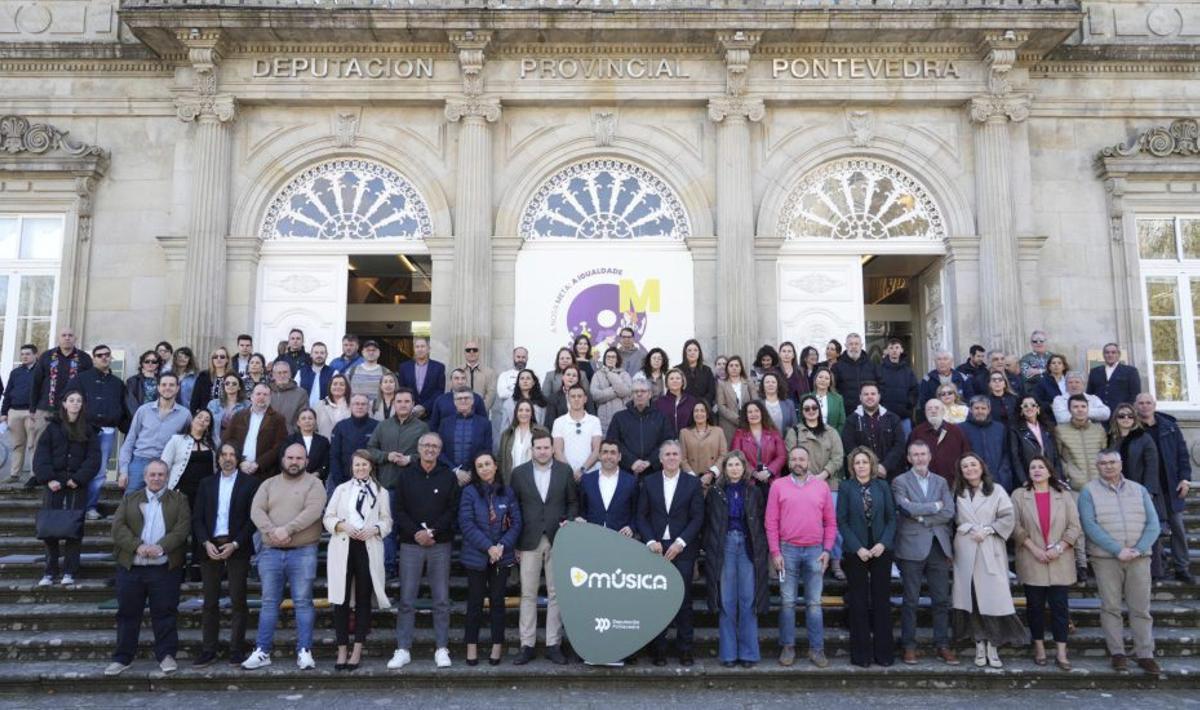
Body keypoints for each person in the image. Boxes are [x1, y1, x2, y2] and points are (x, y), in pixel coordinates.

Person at [242, 443, 327, 671]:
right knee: (269, 603)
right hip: (270, 552)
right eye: (290, 457)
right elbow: (256, 511)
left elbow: (313, 511)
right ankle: (262, 651)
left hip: (304, 551)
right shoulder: (268, 484)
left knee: (303, 602)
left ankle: (304, 651)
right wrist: (272, 531)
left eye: (299, 458)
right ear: (282, 459)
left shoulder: (315, 484)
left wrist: (286, 530)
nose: (294, 461)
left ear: (306, 461)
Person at [1078, 449, 1162, 675]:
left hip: (1139, 558)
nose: (1108, 466)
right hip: (1106, 558)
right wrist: (1117, 550)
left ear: (1121, 464)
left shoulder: (1139, 489)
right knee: (1111, 607)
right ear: (1098, 467)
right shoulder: (1088, 491)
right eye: (1103, 463)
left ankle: (1145, 654)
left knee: (1141, 609)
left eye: (1112, 462)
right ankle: (1117, 653)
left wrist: (1139, 548)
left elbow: (1153, 524)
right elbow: (1089, 525)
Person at [105, 459, 189, 676]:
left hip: (163, 568)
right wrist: (138, 546)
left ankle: (166, 655)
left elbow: (182, 529)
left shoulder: (179, 500)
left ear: (167, 477)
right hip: (132, 567)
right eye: (152, 474)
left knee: (165, 613)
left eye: (161, 474)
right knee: (127, 614)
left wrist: (160, 547)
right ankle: (122, 658)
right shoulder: (130, 498)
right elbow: (118, 527)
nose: (156, 478)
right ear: (144, 477)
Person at [950, 452, 1029, 668]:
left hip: (989, 546)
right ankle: (979, 643)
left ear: (982, 467)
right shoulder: (957, 491)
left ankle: (994, 644)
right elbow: (953, 519)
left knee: (993, 598)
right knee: (972, 597)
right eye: (965, 466)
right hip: (966, 548)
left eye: (973, 465)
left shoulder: (997, 490)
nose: (969, 469)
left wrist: (987, 529)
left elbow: (1008, 517)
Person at [387, 432, 458, 670]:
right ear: (418, 448)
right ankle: (403, 648)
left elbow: (452, 509)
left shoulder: (448, 476)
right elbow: (398, 510)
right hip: (410, 544)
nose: (430, 449)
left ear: (440, 450)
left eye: (434, 446)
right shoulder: (406, 475)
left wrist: (434, 532)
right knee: (407, 599)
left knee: (440, 599)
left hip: (440, 544)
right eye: (426, 445)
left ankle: (441, 648)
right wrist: (416, 532)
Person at [509, 430, 578, 665]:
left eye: (546, 447)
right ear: (532, 449)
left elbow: (572, 502)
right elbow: (513, 509)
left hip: (558, 538)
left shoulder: (564, 471)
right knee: (528, 594)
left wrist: (569, 520)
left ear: (552, 448)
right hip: (528, 540)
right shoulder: (519, 474)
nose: (542, 451)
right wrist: (515, 542)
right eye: (538, 448)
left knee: (556, 594)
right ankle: (526, 644)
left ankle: (553, 644)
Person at [766, 445, 837, 668]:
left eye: (802, 459)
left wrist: (827, 550)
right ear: (789, 462)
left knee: (814, 603)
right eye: (794, 459)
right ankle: (788, 647)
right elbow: (771, 522)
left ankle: (817, 650)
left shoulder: (822, 486)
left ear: (808, 462)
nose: (798, 462)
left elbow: (831, 522)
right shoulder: (778, 485)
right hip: (787, 550)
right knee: (787, 603)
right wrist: (775, 552)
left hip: (815, 551)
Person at [191, 443, 260, 667]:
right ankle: (209, 649)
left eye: (232, 454)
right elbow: (197, 518)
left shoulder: (250, 484)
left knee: (238, 600)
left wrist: (237, 543)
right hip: (210, 547)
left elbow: (252, 519)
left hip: (237, 548)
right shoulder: (206, 483)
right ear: (218, 458)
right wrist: (205, 542)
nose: (228, 458)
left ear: (238, 458)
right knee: (210, 601)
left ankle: (236, 649)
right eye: (224, 454)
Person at [636, 441, 703, 666]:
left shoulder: (692, 483)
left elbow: (697, 518)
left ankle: (685, 649)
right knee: (656, 601)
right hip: (655, 549)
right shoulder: (649, 481)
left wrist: (680, 543)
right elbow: (641, 516)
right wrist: (651, 540)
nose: (672, 457)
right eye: (668, 454)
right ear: (661, 459)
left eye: (675, 454)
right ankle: (659, 650)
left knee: (683, 599)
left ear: (680, 458)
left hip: (682, 548)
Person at [324, 449, 392, 672]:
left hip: (367, 546)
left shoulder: (381, 492)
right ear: (351, 467)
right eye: (356, 465)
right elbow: (328, 517)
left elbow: (387, 521)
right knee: (340, 599)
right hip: (343, 546)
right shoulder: (342, 489)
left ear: (371, 466)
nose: (360, 468)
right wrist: (343, 525)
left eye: (364, 465)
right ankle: (342, 649)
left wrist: (374, 529)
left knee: (363, 599)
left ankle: (357, 650)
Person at [892, 439, 958, 665]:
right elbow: (905, 507)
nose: (919, 458)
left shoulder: (940, 482)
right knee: (910, 600)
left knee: (941, 599)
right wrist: (933, 507)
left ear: (930, 457)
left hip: (938, 547)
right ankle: (908, 646)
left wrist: (921, 516)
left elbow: (949, 511)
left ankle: (942, 644)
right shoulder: (900, 481)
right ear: (909, 458)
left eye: (923, 454)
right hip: (911, 547)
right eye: (915, 455)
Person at [1011, 456, 1080, 671]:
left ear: (1050, 471)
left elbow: (1074, 527)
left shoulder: (1064, 495)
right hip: (1032, 558)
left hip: (1060, 559)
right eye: (1033, 467)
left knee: (1060, 608)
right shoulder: (1019, 495)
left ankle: (1061, 651)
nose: (1037, 470)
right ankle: (1039, 647)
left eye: (1041, 467)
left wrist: (1059, 547)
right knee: (1035, 608)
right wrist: (1035, 549)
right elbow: (1015, 526)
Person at [703, 450, 769, 668]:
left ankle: (749, 654)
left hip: (747, 546)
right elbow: (709, 523)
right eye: (730, 465)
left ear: (744, 468)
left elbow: (760, 521)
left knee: (748, 600)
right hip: (726, 546)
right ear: (725, 469)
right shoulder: (715, 492)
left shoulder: (754, 491)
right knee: (727, 601)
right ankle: (729, 654)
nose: (734, 468)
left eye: (738, 465)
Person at [458, 451, 521, 667]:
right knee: (475, 602)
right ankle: (471, 646)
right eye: (479, 466)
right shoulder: (469, 493)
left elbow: (516, 523)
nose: (484, 468)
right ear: (476, 471)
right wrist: (488, 547)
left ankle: (496, 646)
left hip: (501, 557)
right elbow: (466, 524)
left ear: (495, 466)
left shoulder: (508, 492)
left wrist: (501, 547)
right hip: (476, 556)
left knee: (497, 603)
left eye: (487, 464)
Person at [838, 446, 897, 668]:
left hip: (881, 550)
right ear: (852, 467)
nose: (861, 466)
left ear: (871, 465)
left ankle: (884, 655)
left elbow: (892, 518)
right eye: (857, 463)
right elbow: (841, 521)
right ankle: (861, 656)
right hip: (857, 552)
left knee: (881, 601)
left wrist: (883, 543)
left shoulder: (883, 486)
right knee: (858, 602)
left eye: (864, 462)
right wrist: (857, 547)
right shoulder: (846, 487)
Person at [33, 390, 100, 587]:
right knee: (49, 528)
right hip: (53, 485)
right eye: (71, 400)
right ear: (64, 404)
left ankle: (70, 570)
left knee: (74, 529)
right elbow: (41, 456)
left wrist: (79, 478)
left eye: (79, 401)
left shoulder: (88, 429)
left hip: (76, 485)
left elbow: (93, 458)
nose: (75, 404)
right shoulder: (52, 428)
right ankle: (49, 571)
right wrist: (48, 479)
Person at [1135, 392, 1194, 583]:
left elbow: (1182, 455)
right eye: (1141, 403)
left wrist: (1185, 479)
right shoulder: (1133, 428)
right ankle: (1156, 568)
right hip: (1146, 487)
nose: (1144, 406)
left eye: (1148, 403)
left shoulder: (1169, 427)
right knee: (1151, 529)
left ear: (1154, 404)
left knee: (1177, 528)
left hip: (1171, 485)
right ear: (1136, 406)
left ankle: (1182, 567)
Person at [786, 394, 846, 579]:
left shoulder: (831, 432)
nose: (811, 411)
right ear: (802, 412)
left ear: (819, 411)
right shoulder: (794, 432)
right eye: (807, 408)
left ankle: (835, 561)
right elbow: (791, 456)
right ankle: (806, 563)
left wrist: (823, 474)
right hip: (801, 483)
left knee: (833, 524)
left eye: (814, 408)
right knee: (806, 523)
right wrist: (808, 476)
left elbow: (838, 457)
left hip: (829, 483)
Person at [68, 344, 127, 520]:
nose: (103, 358)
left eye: (107, 355)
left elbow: (122, 408)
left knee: (100, 471)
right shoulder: (81, 379)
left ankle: (90, 507)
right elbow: (67, 400)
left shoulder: (117, 383)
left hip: (107, 431)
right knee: (78, 467)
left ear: (110, 358)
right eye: (99, 355)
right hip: (83, 430)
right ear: (93, 358)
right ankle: (74, 506)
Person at [119, 373, 191, 495]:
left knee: (159, 507)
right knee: (130, 504)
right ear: (158, 387)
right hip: (139, 461)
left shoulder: (185, 415)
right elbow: (130, 440)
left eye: (171, 385)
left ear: (177, 388)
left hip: (165, 463)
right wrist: (123, 470)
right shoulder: (143, 410)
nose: (167, 388)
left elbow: (187, 443)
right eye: (164, 384)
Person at [30, 328, 93, 456]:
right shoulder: (46, 356)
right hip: (46, 407)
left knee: (69, 443)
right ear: (58, 338)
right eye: (63, 335)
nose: (67, 338)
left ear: (76, 338)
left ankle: (64, 474)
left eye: (70, 335)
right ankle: (37, 474)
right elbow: (36, 383)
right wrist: (32, 408)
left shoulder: (84, 358)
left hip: (73, 409)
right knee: (40, 442)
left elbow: (89, 385)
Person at [364, 388, 428, 491]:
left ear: (413, 404)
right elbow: (370, 450)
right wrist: (387, 456)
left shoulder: (422, 427)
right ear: (394, 403)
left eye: (407, 401)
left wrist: (409, 459)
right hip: (385, 486)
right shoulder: (383, 426)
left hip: (412, 487)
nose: (403, 405)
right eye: (399, 401)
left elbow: (429, 454)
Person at [223, 383, 288, 481]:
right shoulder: (239, 416)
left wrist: (258, 463)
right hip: (238, 469)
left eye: (265, 395)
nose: (261, 397)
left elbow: (279, 446)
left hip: (264, 473)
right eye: (258, 394)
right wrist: (239, 461)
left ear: (270, 398)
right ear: (252, 397)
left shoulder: (278, 419)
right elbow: (228, 440)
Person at [608, 379, 672, 477]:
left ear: (650, 394)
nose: (639, 394)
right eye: (635, 391)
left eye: (643, 391)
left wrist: (650, 461)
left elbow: (667, 442)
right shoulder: (619, 417)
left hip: (655, 472)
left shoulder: (661, 417)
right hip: (626, 472)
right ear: (631, 395)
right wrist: (632, 461)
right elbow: (612, 442)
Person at [842, 382, 905, 480]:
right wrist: (870, 467)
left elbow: (899, 445)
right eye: (866, 394)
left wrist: (885, 466)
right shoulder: (851, 421)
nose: (869, 397)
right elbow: (849, 446)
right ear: (860, 397)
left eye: (873, 394)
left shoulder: (892, 418)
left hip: (890, 475)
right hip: (862, 476)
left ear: (879, 396)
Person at [576, 439, 638, 534]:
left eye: (613, 453)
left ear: (619, 457)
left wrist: (631, 527)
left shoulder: (631, 481)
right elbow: (581, 509)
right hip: (591, 535)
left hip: (620, 538)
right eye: (605, 452)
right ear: (599, 456)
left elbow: (637, 511)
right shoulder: (587, 480)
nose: (608, 456)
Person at [960, 396, 1018, 491]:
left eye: (983, 408)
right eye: (976, 408)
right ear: (970, 410)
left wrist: (1003, 473)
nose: (980, 411)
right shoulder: (961, 428)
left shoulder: (999, 428)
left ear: (989, 410)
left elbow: (1006, 453)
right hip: (972, 479)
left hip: (998, 479)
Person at [161, 408, 216, 508]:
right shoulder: (176, 440)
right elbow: (164, 466)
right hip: (181, 492)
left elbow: (215, 470)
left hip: (205, 494)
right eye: (199, 417)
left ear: (208, 426)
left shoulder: (212, 445)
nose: (202, 421)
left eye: (207, 420)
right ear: (192, 420)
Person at [907, 399, 971, 484]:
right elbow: (910, 458)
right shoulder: (917, 432)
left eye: (937, 408)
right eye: (929, 409)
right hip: (925, 483)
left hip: (953, 482)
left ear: (943, 411)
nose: (933, 411)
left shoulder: (956, 431)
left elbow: (966, 455)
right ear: (925, 413)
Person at [437, 388, 493, 482]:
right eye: (459, 398)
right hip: (449, 475)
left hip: (476, 476)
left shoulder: (484, 423)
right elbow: (440, 451)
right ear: (454, 402)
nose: (463, 401)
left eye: (467, 398)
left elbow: (487, 450)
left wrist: (473, 471)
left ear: (473, 401)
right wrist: (456, 471)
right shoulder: (445, 423)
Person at [2, 343, 39, 481]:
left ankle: (35, 475)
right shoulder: (15, 372)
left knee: (33, 445)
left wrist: (37, 411)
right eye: (22, 354)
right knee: (17, 444)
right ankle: (14, 474)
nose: (24, 356)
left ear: (36, 355)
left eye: (28, 354)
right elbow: (7, 394)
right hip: (14, 412)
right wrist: (4, 413)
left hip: (32, 413)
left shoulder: (41, 371)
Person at [552, 384, 602, 481]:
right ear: (568, 399)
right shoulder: (558, 422)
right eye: (573, 396)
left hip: (590, 474)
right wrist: (570, 472)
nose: (576, 399)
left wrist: (582, 470)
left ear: (585, 399)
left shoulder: (594, 421)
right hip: (566, 476)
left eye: (579, 396)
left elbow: (596, 450)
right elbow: (558, 451)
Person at [730, 400, 788, 482]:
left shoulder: (774, 433)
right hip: (749, 480)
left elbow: (782, 456)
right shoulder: (739, 434)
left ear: (762, 413)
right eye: (750, 412)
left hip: (771, 479)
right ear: (745, 416)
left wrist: (769, 471)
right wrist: (753, 472)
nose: (753, 414)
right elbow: (737, 457)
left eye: (756, 411)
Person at [679, 400, 728, 487]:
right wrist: (693, 478)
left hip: (714, 480)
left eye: (702, 411)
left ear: (708, 414)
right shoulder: (684, 432)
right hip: (692, 480)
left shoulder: (718, 431)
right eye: (696, 411)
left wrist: (711, 473)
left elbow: (723, 455)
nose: (699, 414)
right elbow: (682, 459)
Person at [1013, 395, 1060, 481]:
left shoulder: (1048, 427)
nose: (1029, 408)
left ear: (1038, 408)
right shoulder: (1015, 430)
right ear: (1021, 410)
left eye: (1033, 405)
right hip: (1030, 477)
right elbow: (1015, 459)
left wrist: (1058, 478)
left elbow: (1055, 455)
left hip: (1050, 475)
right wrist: (1024, 480)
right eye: (1025, 406)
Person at [879, 338, 918, 437]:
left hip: (904, 416)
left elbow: (914, 390)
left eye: (897, 347)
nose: (894, 350)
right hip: (884, 416)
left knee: (906, 444)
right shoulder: (879, 370)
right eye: (891, 348)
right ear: (886, 351)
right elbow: (876, 389)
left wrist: (908, 404)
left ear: (901, 350)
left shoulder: (908, 371)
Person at [1088, 342, 1141, 414]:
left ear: (1119, 355)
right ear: (1103, 355)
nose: (1110, 355)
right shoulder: (1094, 372)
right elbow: (1090, 395)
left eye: (1113, 352)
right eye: (1107, 352)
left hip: (1121, 414)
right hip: (1100, 414)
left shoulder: (1130, 371)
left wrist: (1127, 410)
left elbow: (1135, 394)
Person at [833, 333, 879, 414]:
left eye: (856, 344)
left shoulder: (872, 366)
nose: (854, 346)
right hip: (845, 412)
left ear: (861, 345)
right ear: (846, 346)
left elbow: (880, 387)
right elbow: (833, 390)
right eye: (851, 344)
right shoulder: (837, 367)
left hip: (868, 412)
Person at [716, 355, 757, 444]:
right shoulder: (722, 384)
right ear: (727, 368)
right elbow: (721, 406)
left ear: (741, 368)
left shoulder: (748, 382)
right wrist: (738, 419)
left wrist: (746, 418)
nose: (734, 368)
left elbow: (755, 402)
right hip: (728, 424)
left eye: (737, 365)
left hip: (748, 422)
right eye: (731, 365)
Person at [590, 347, 632, 433]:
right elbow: (595, 395)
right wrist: (616, 390)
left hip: (621, 417)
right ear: (604, 359)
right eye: (608, 357)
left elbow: (626, 392)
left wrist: (609, 374)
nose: (610, 359)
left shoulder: (624, 374)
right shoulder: (597, 375)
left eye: (613, 357)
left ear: (617, 359)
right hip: (603, 419)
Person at [282, 408, 331, 481]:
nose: (307, 421)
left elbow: (326, 462)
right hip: (293, 479)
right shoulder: (290, 440)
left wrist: (317, 473)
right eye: (303, 418)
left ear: (315, 421)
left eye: (310, 418)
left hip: (316, 480)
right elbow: (283, 460)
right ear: (298, 422)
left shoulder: (323, 441)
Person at [492, 346, 529, 440]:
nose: (520, 359)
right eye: (518, 357)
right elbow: (502, 393)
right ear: (513, 357)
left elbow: (535, 393)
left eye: (523, 357)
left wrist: (511, 390)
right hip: (508, 416)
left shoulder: (533, 375)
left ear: (527, 358)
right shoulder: (505, 375)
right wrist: (523, 392)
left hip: (528, 415)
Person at [918, 350, 971, 415]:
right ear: (935, 362)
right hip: (936, 415)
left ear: (951, 361)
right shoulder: (927, 379)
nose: (942, 362)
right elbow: (923, 401)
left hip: (958, 415)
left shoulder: (962, 378)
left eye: (945, 359)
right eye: (939, 359)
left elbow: (970, 398)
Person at [497, 401, 537, 485]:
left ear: (532, 413)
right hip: (511, 481)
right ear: (516, 413)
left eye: (527, 410)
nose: (524, 413)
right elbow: (500, 459)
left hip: (533, 481)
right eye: (520, 410)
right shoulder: (507, 434)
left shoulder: (540, 432)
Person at [345, 340, 393, 408]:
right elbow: (344, 393)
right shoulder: (351, 371)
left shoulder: (386, 372)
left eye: (374, 350)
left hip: (378, 413)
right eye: (368, 350)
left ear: (379, 353)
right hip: (356, 412)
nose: (371, 352)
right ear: (362, 352)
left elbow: (392, 394)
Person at [207, 373, 248, 449]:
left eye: (234, 384)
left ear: (239, 387)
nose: (230, 386)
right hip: (215, 444)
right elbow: (208, 426)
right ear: (224, 386)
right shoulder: (213, 404)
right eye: (227, 383)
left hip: (238, 446)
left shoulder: (247, 405)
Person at [654, 368, 699, 434]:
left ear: (682, 381)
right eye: (671, 379)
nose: (675, 381)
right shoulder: (659, 402)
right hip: (666, 441)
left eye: (678, 378)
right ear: (666, 383)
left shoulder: (692, 401)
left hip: (687, 440)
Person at [268, 360, 307, 435]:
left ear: (290, 374)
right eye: (279, 373)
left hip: (291, 436)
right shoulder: (266, 392)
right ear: (273, 375)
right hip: (268, 436)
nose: (282, 375)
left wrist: (292, 431)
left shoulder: (301, 393)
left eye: (285, 372)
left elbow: (303, 417)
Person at [678, 338, 716, 406]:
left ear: (699, 353)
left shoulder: (707, 370)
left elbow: (711, 391)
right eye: (689, 350)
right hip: (683, 407)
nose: (692, 352)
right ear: (685, 353)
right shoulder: (678, 370)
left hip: (703, 408)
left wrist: (703, 404)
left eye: (695, 350)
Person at [294, 341, 332, 409]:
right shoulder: (301, 372)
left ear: (326, 355)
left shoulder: (333, 373)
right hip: (305, 412)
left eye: (322, 353)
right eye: (316, 352)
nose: (319, 355)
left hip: (326, 412)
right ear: (311, 354)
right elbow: (295, 393)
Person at [461, 339, 496, 412]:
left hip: (481, 414)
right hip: (461, 412)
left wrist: (480, 409)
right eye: (468, 350)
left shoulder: (489, 372)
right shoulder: (458, 371)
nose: (471, 352)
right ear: (464, 353)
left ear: (479, 352)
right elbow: (453, 392)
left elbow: (491, 395)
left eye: (475, 350)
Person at [314, 373, 351, 439]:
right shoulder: (319, 406)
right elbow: (314, 428)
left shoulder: (353, 406)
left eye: (342, 384)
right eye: (335, 384)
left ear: (347, 388)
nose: (338, 387)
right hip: (325, 445)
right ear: (330, 386)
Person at [810, 367, 845, 434]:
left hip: (831, 438)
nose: (823, 380)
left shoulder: (838, 399)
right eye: (820, 377)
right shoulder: (806, 397)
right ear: (815, 379)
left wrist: (834, 437)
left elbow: (842, 423)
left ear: (830, 382)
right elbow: (801, 421)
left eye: (827, 378)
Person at [172, 348, 200, 414]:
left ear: (190, 360)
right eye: (179, 356)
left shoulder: (195, 376)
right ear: (175, 358)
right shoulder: (168, 373)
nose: (182, 359)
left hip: (188, 411)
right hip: (170, 411)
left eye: (186, 357)